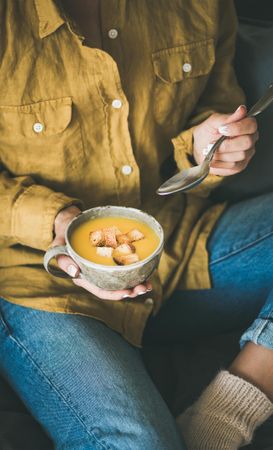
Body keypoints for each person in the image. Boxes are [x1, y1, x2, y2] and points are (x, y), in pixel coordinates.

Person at [0, 0, 272, 449]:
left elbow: (214, 111)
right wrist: (59, 220)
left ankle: (227, 413)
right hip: (41, 280)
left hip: (176, 247)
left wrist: (208, 149)